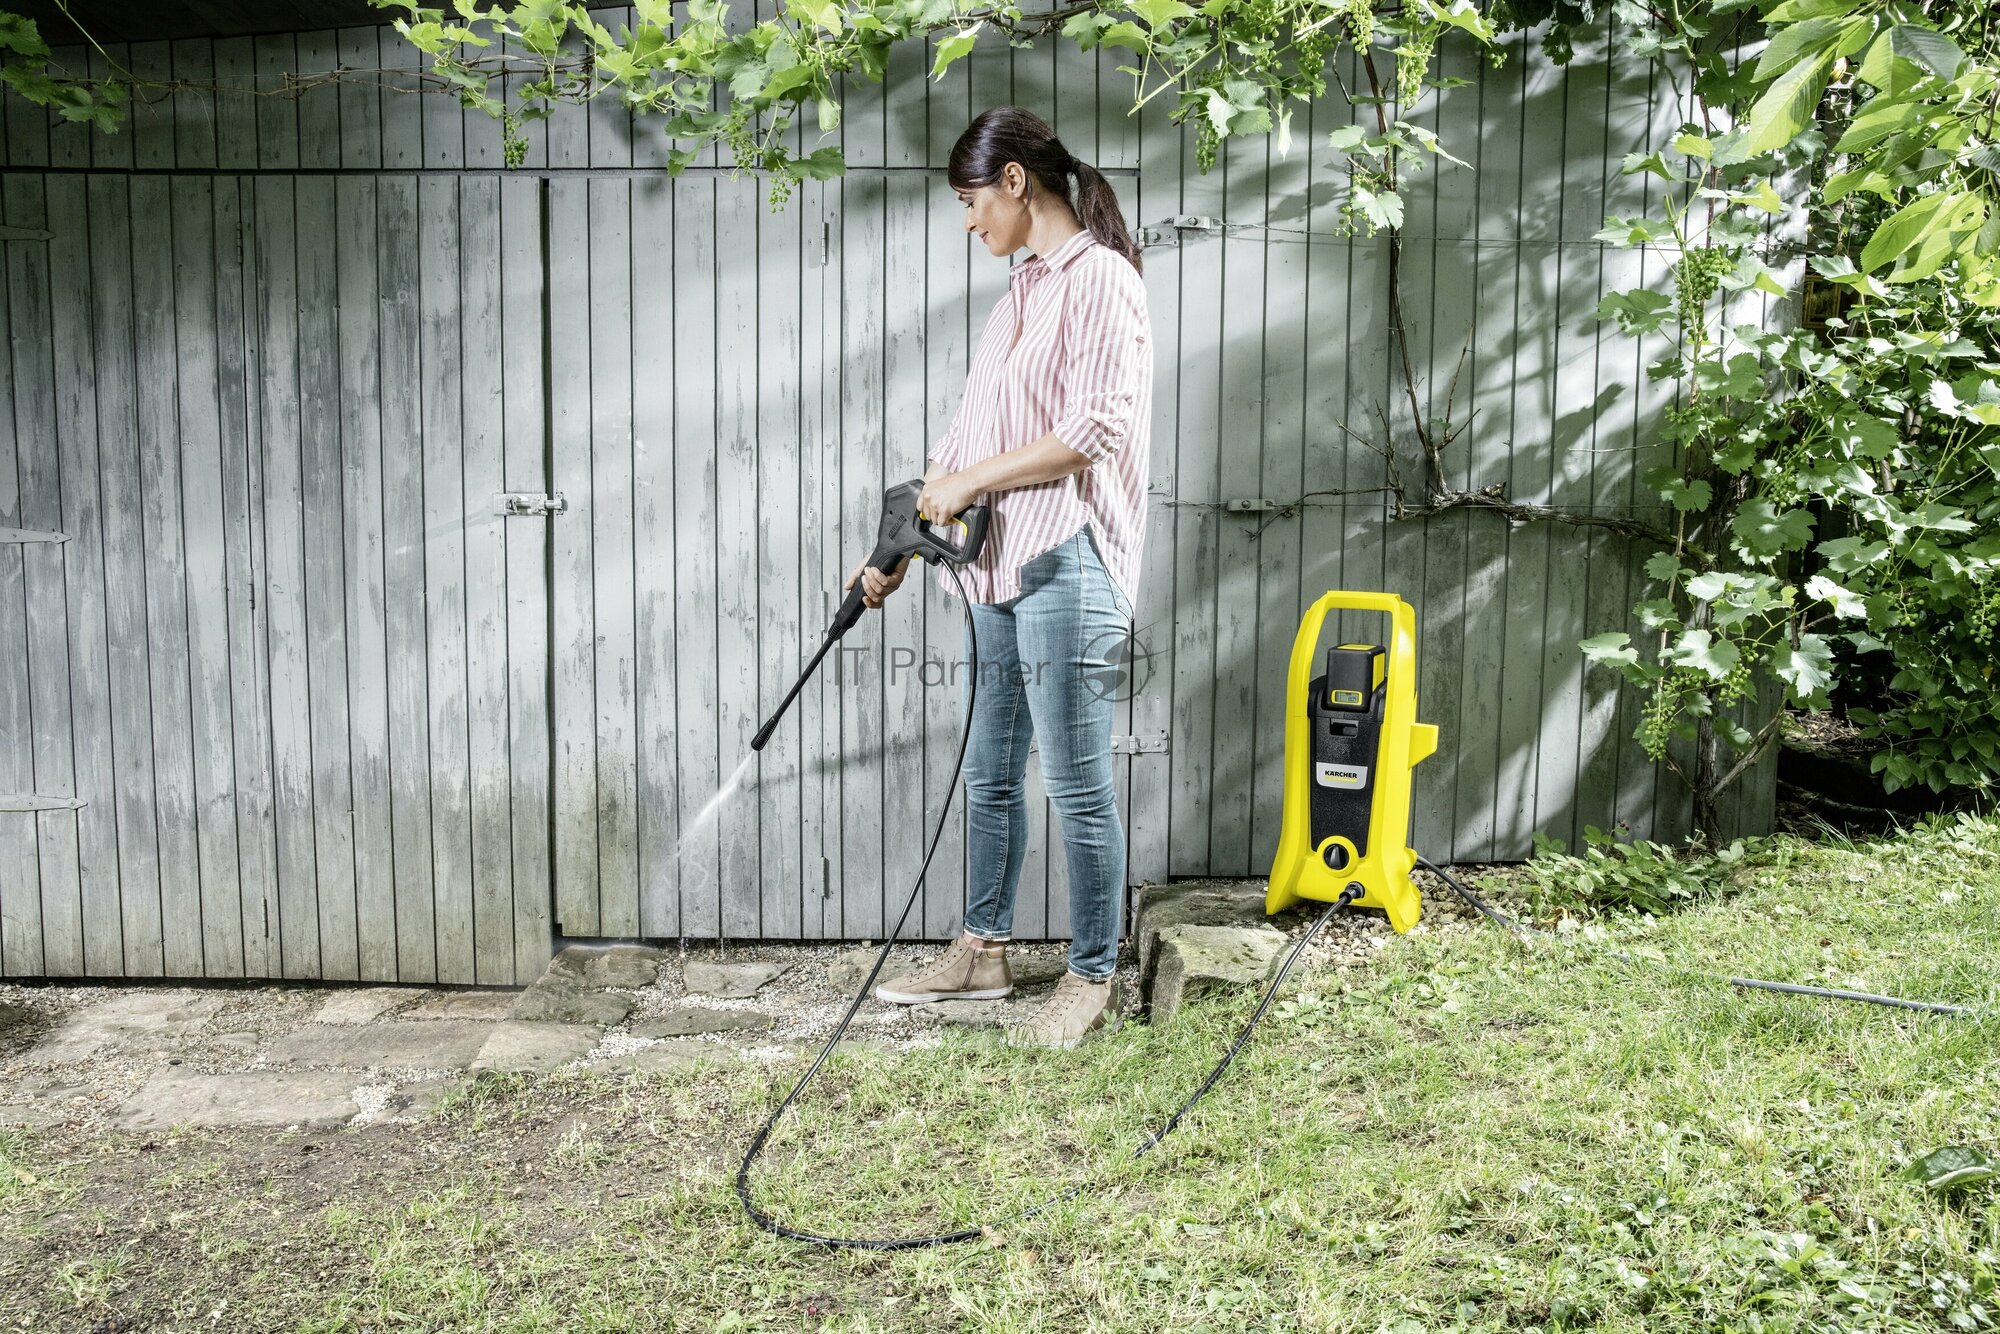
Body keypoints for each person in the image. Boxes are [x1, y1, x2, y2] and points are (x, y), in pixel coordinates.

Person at [841, 105, 1153, 1049]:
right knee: (990, 775)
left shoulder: (1102, 281)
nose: (969, 220)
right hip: (998, 569)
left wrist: (967, 481)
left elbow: (1090, 431)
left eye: (973, 199)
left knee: (1075, 779)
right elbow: (966, 441)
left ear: (1016, 182)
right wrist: (896, 541)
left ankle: (1094, 974)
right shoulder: (1019, 293)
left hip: (1068, 560)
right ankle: (982, 951)